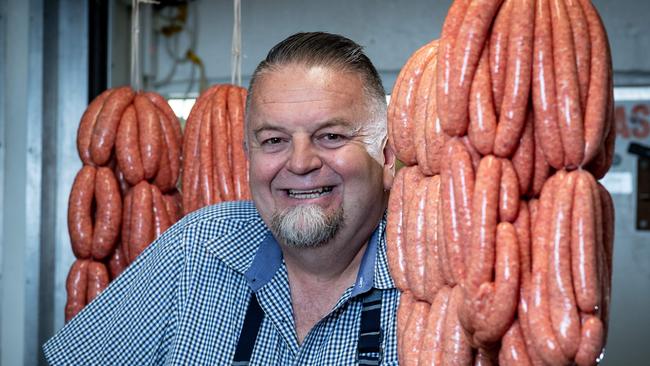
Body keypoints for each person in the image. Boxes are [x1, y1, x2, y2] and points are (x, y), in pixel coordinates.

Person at [43, 31, 398, 365]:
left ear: (386, 157)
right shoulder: (195, 248)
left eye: (331, 136)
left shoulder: (431, 279)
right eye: (274, 140)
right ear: (249, 155)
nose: (301, 163)